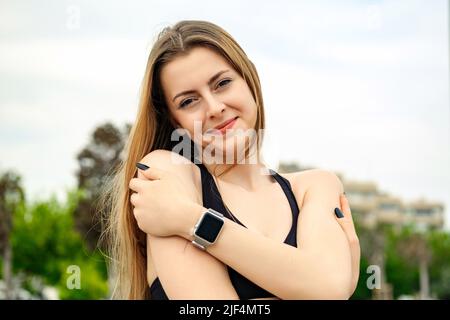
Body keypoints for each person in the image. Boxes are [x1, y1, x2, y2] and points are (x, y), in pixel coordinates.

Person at [102, 20, 360, 300]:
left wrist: (190, 219)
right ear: (174, 122)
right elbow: (327, 289)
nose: (214, 108)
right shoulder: (167, 174)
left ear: (249, 79)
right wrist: (321, 287)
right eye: (189, 101)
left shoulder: (315, 186)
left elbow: (328, 289)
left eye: (222, 83)